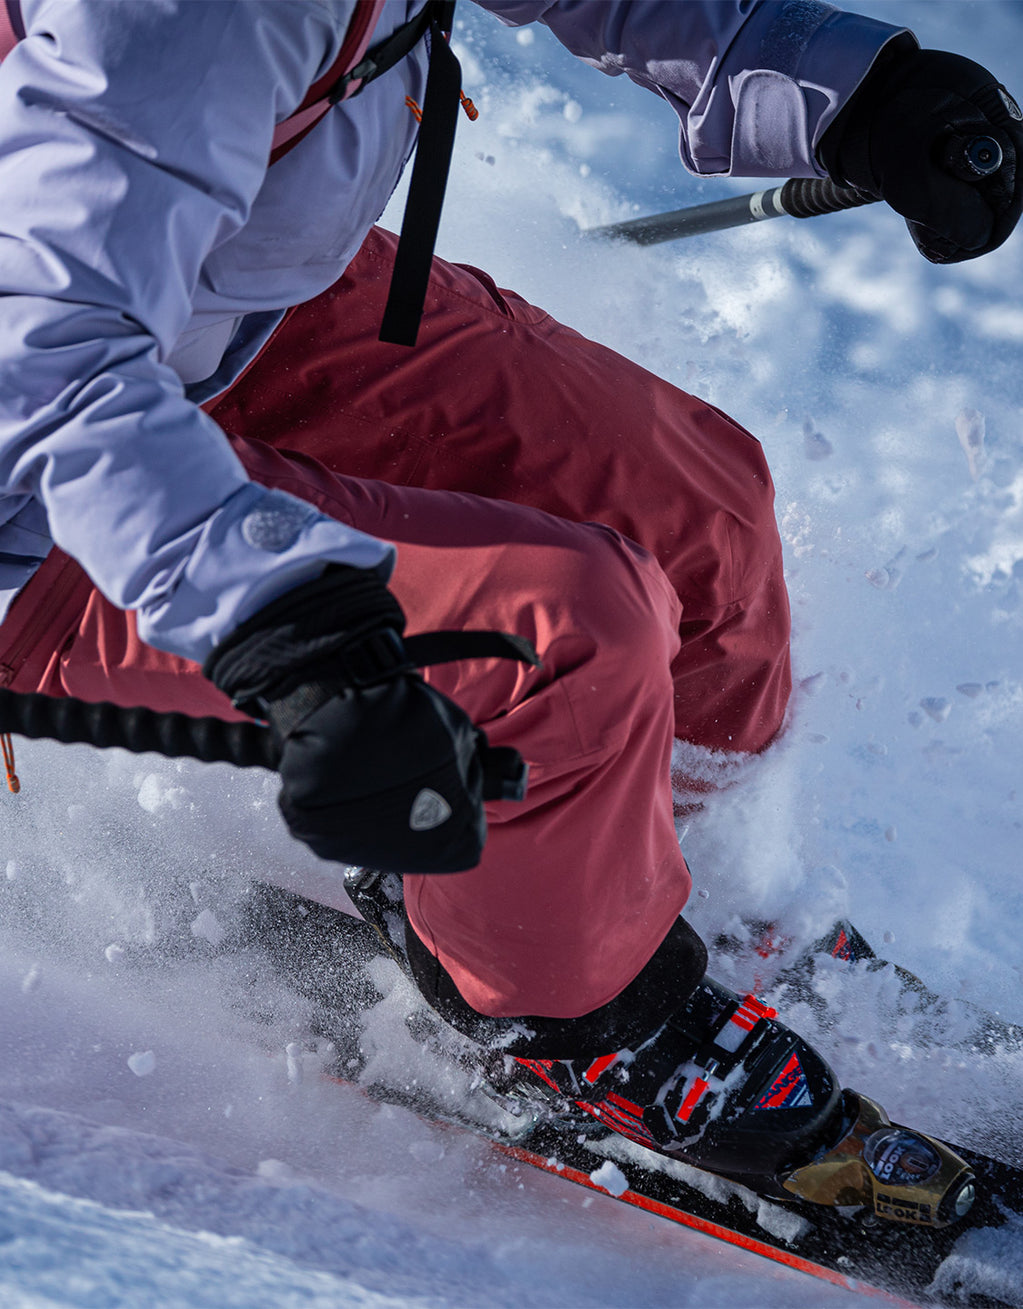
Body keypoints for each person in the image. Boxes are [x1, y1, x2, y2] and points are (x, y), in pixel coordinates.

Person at [0, 0, 1019, 1199]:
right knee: (555, 639)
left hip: (223, 304)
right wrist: (288, 630)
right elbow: (44, 358)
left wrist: (858, 93)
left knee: (697, 504)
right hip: (52, 483)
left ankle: (671, 875)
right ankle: (582, 1013)